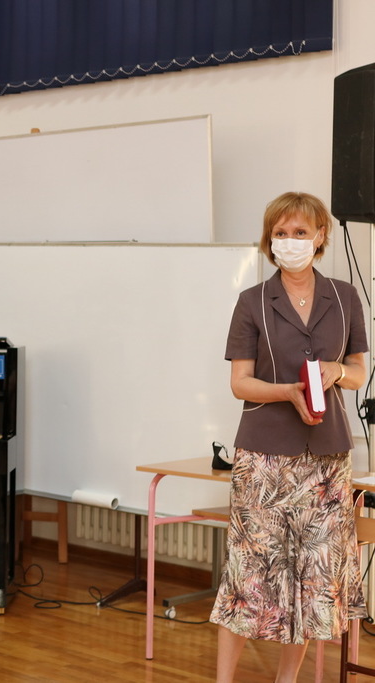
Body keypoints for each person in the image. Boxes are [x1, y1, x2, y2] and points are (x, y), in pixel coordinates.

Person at [211, 191, 367, 682]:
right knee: (248, 577)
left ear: (320, 236)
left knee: (311, 580)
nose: (290, 241)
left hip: (326, 461)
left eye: (300, 232)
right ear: (269, 240)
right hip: (263, 458)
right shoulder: (252, 302)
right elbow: (240, 383)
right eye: (281, 233)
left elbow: (359, 372)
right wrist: (288, 392)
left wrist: (335, 372)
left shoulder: (344, 297)